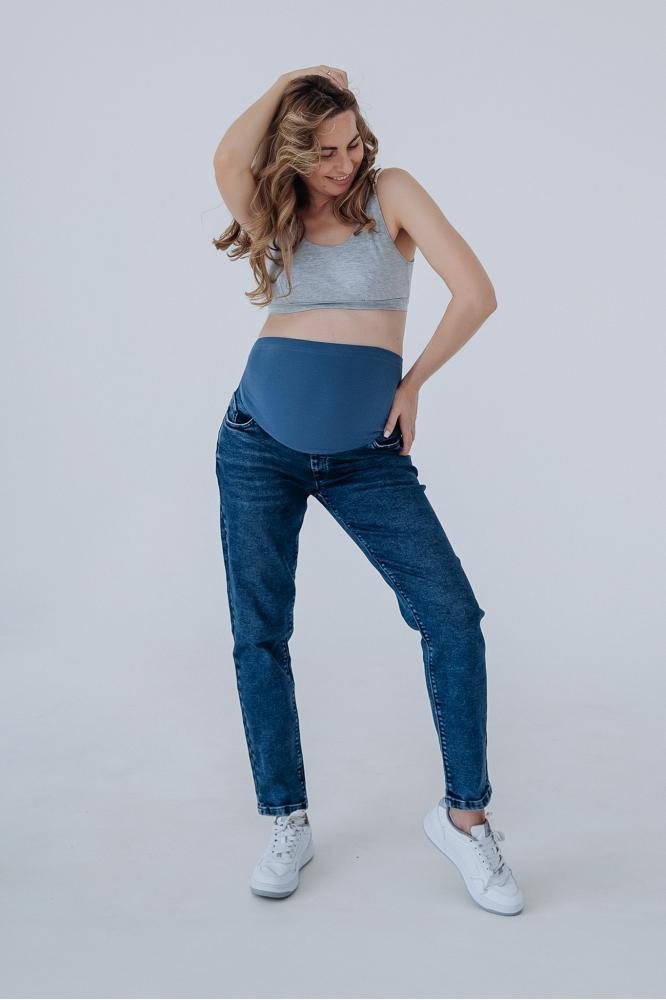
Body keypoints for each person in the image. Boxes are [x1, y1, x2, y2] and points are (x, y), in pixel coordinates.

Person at [211, 67, 524, 916]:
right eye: (323, 152)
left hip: (366, 455)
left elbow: (477, 294)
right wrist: (290, 81)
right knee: (260, 633)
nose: (344, 162)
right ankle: (287, 818)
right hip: (257, 444)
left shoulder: (392, 193)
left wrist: (413, 383)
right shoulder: (276, 211)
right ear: (292, 151)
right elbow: (227, 157)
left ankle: (464, 820)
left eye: (352, 143)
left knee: (451, 616)